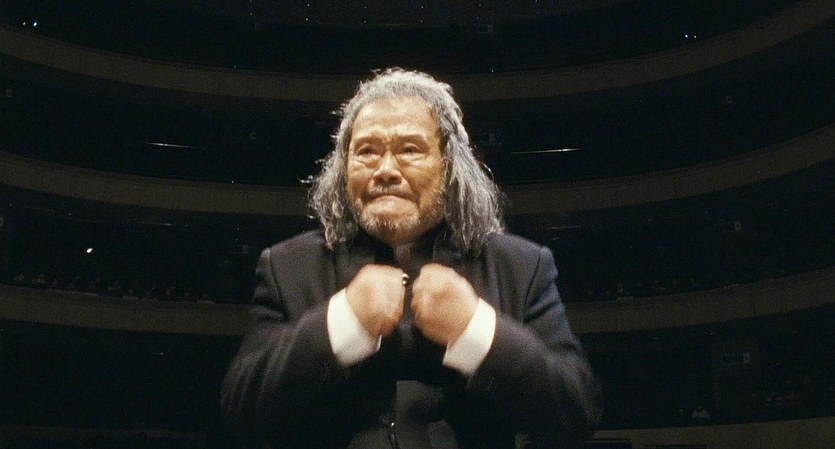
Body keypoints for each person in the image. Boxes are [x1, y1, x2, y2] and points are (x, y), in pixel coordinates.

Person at [221, 68, 601, 449]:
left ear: (449, 167)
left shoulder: (520, 267)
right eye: (366, 151)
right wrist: (341, 323)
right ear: (343, 169)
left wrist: (476, 329)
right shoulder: (287, 267)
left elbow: (576, 411)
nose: (385, 170)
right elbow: (242, 412)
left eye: (409, 150)